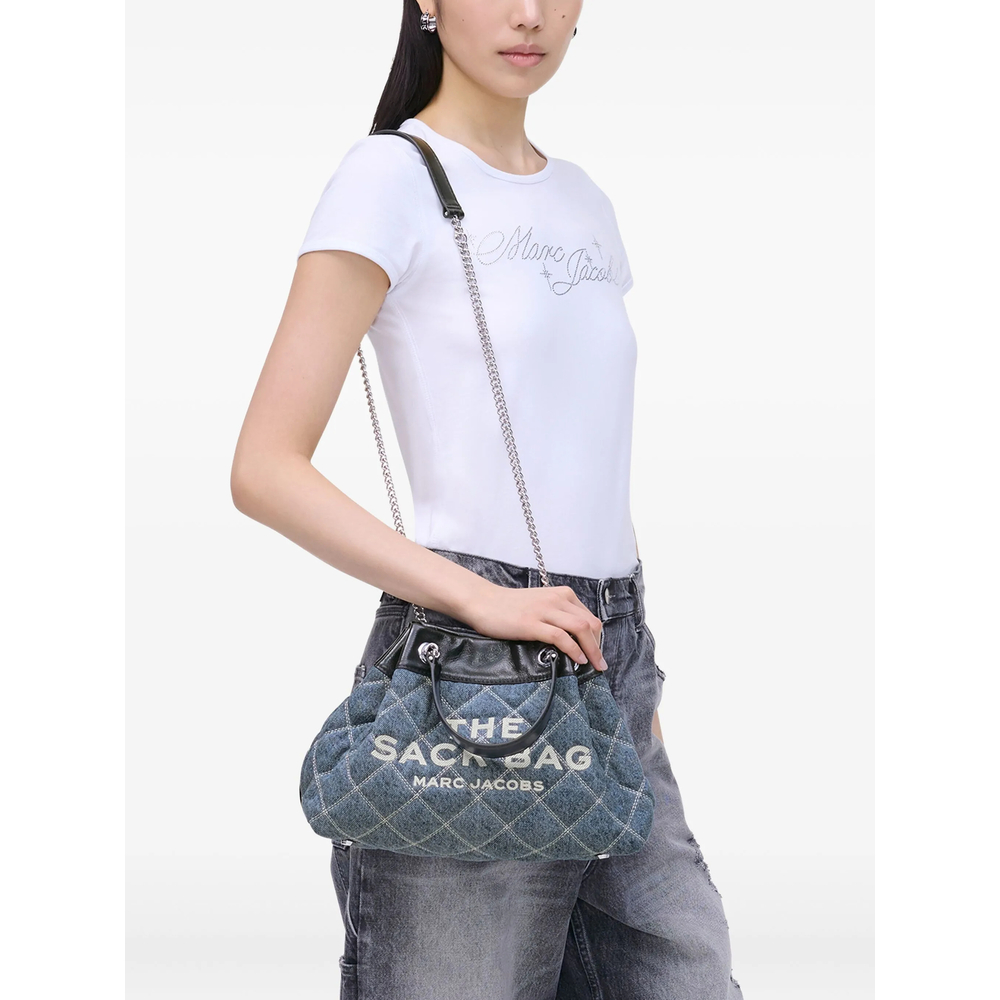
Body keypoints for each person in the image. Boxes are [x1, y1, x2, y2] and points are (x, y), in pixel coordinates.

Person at [231, 2, 744, 997]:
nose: (529, 14)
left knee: (687, 970)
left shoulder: (584, 199)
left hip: (608, 663)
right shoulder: (389, 177)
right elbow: (264, 466)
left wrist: (632, 680)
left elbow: (581, 453)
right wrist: (483, 600)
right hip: (470, 671)